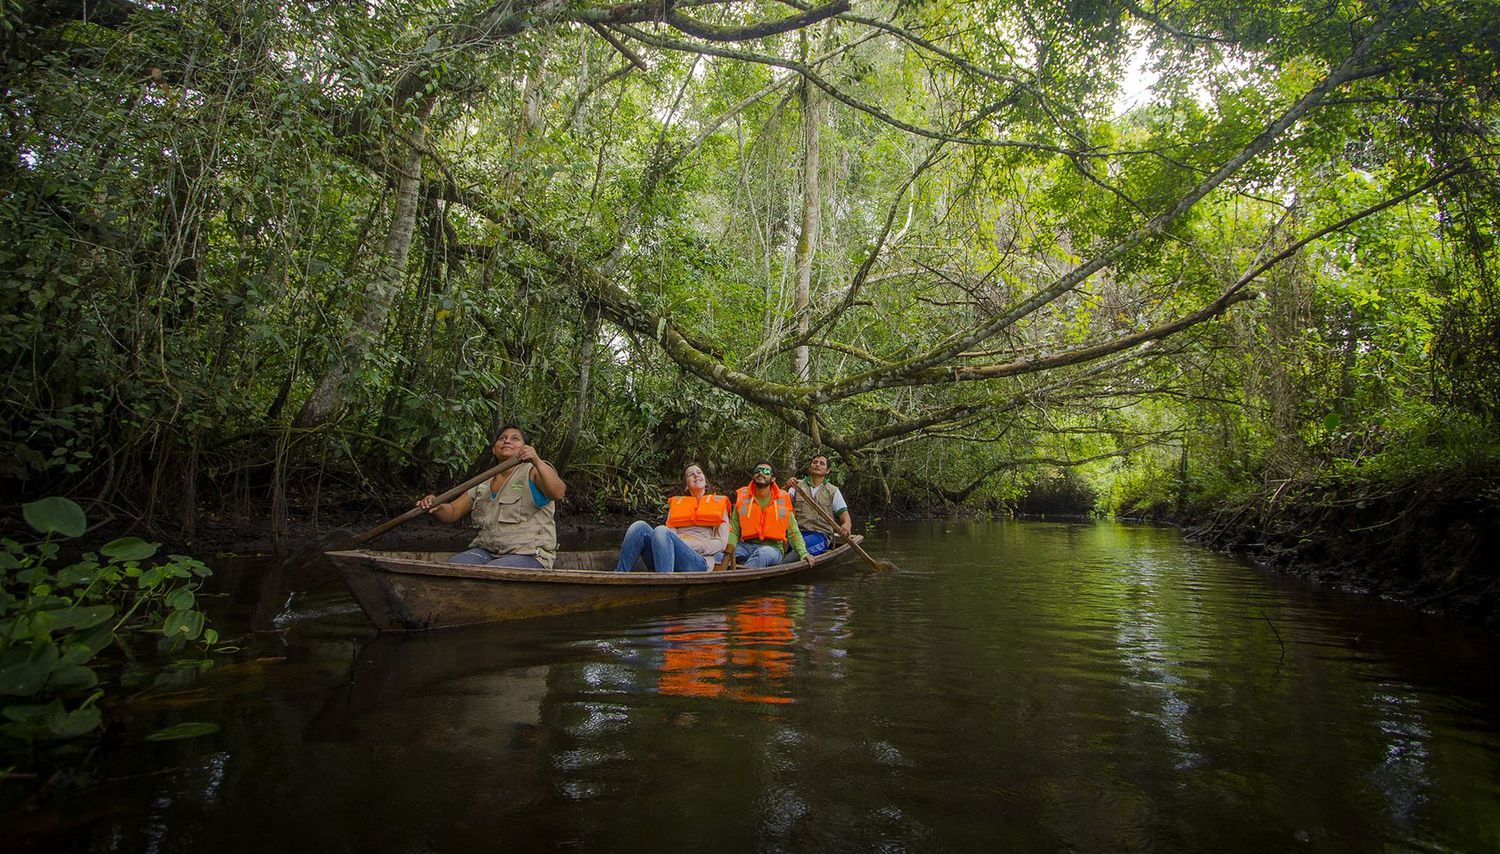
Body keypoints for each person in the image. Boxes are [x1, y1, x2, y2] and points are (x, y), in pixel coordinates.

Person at [415, 425, 566, 568]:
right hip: (488, 552)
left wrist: (537, 460)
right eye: (502, 438)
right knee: (454, 565)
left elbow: (558, 492)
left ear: (525, 448)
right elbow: (453, 511)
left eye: (515, 438)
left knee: (491, 572)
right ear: (494, 449)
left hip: (530, 554)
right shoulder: (482, 482)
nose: (507, 441)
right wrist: (437, 506)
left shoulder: (534, 471)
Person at [613, 464, 730, 573]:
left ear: (705, 481)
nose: (696, 475)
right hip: (669, 556)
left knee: (661, 530)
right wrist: (676, 544)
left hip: (699, 561)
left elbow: (721, 543)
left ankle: (665, 582)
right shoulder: (678, 506)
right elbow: (668, 536)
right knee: (639, 526)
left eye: (699, 472)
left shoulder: (719, 506)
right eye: (691, 474)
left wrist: (693, 545)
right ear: (686, 486)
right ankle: (619, 575)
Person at [726, 462, 811, 568]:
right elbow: (734, 530)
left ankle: (740, 579)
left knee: (763, 553)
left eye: (766, 471)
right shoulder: (743, 499)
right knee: (720, 555)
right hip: (745, 546)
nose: (761, 473)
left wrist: (803, 553)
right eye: (758, 471)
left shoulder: (782, 500)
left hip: (772, 549)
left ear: (773, 478)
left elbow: (793, 532)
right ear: (753, 475)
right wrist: (729, 550)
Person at [785, 453, 853, 556]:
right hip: (796, 533)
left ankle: (781, 567)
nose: (817, 465)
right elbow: (779, 504)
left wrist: (846, 526)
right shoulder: (796, 486)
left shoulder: (833, 491)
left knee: (799, 550)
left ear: (828, 470)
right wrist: (786, 487)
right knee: (782, 547)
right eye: (815, 462)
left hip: (820, 535)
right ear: (809, 467)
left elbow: (844, 514)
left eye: (822, 463)